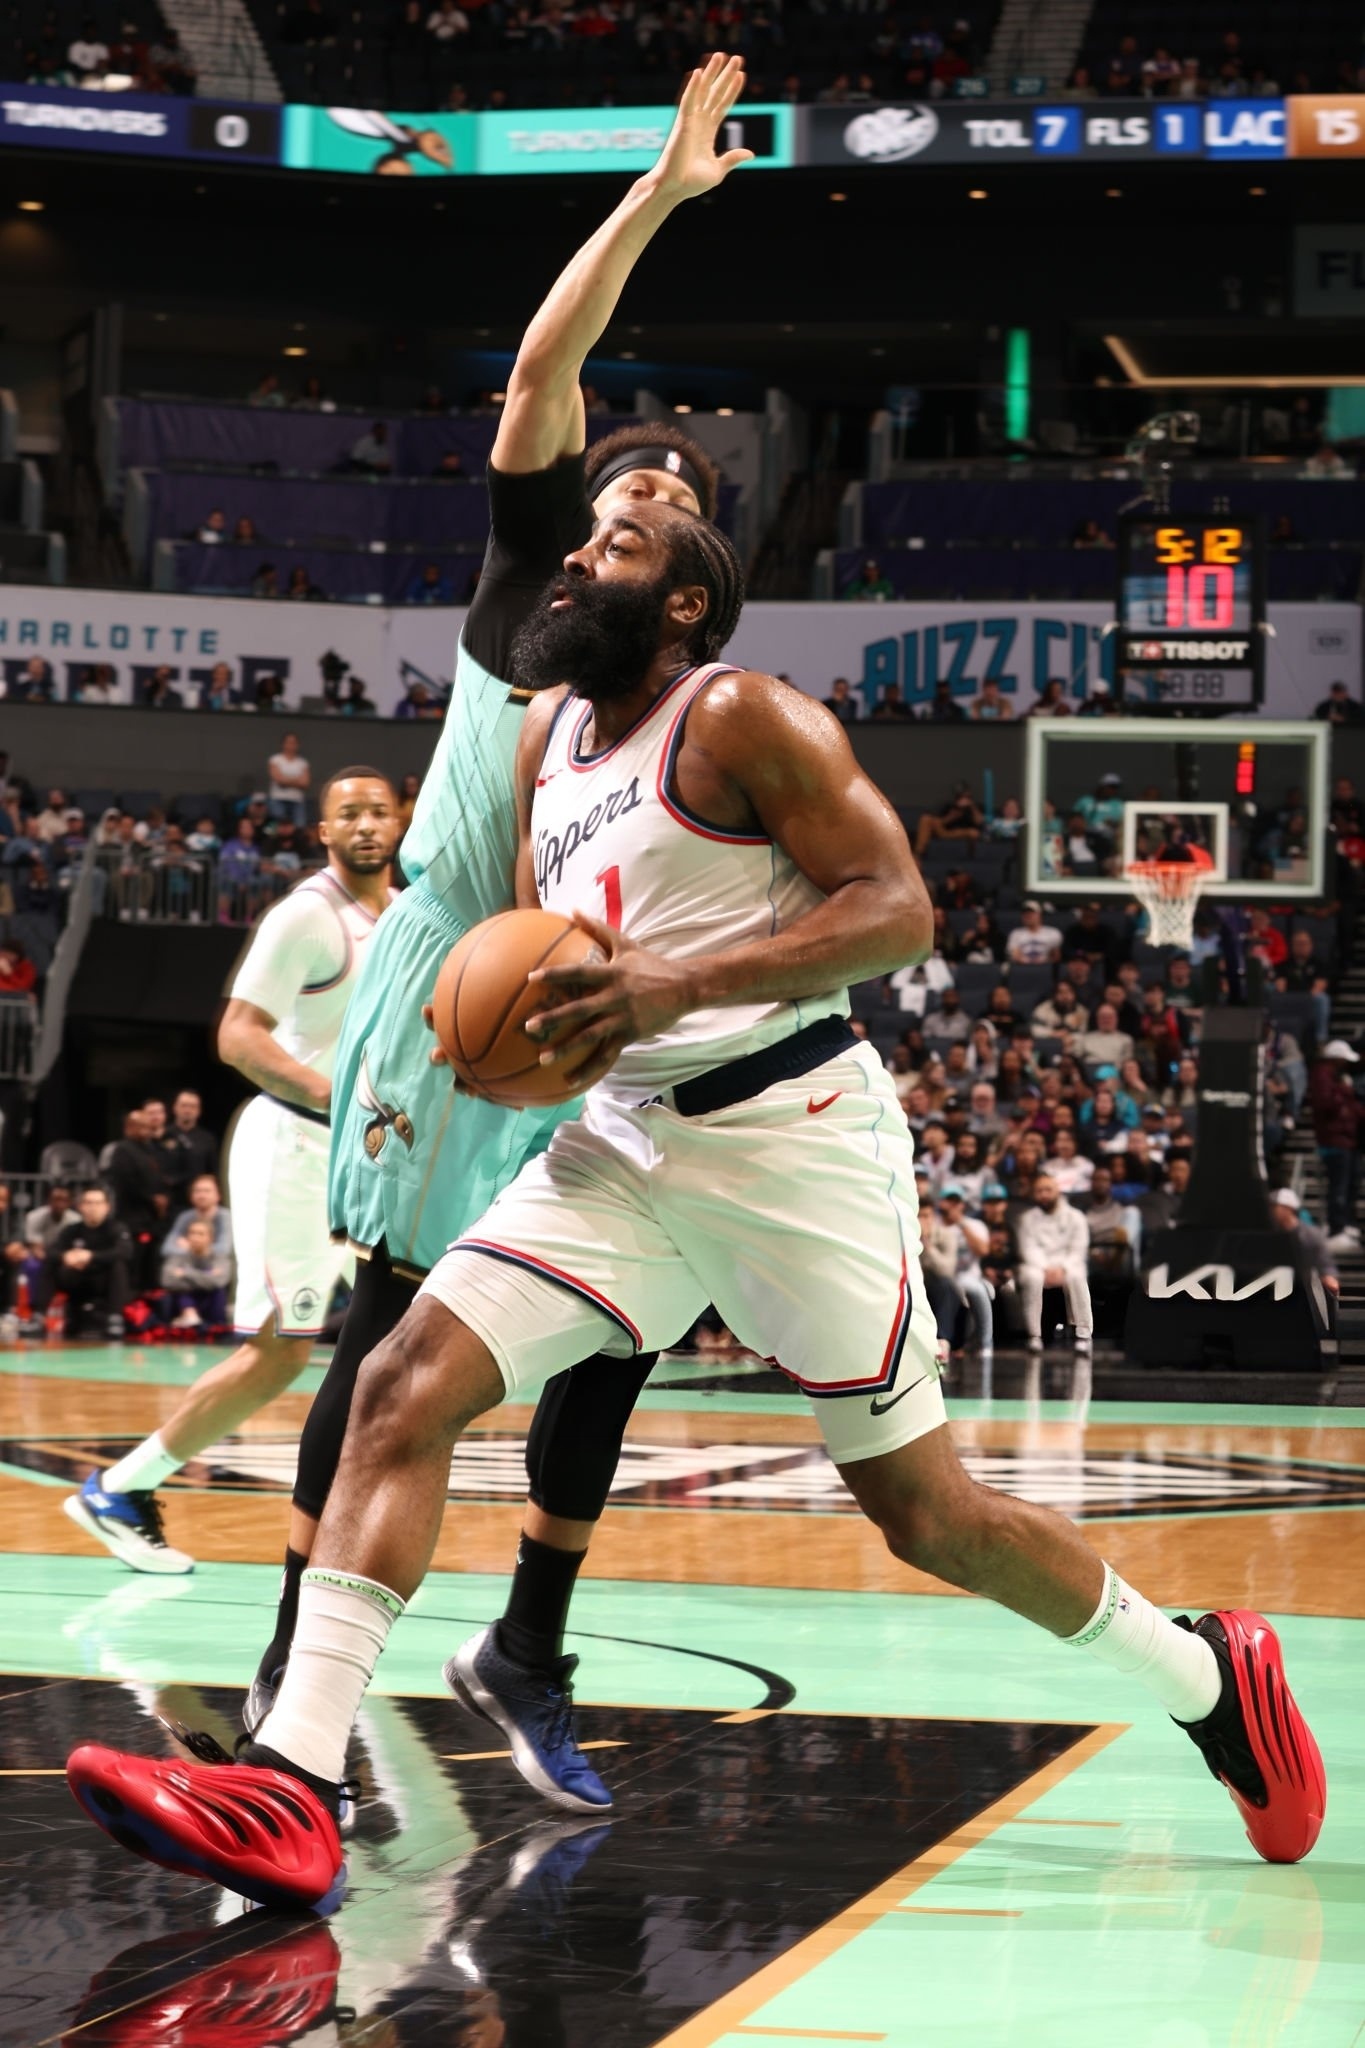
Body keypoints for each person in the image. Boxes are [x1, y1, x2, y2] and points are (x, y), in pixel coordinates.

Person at [69, 484, 1325, 1910]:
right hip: (622, 1146)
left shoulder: (741, 716)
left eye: (619, 540)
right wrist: (519, 1048)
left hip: (792, 1144)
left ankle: (1205, 1676)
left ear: (681, 605)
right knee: (401, 1381)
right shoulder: (546, 739)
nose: (578, 552)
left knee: (926, 1515)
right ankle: (296, 1781)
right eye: (583, 530)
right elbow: (576, 953)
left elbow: (898, 908)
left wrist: (671, 984)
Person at [232, 58, 757, 1772]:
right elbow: (548, 366)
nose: (647, 490)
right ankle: (289, 1651)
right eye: (626, 480)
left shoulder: (687, 689)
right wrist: (667, 200)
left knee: (621, 1310)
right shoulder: (533, 588)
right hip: (455, 987)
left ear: (693, 578)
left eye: (677, 492)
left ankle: (529, 1639)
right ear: (575, 525)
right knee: (387, 1330)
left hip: (586, 998)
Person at [62, 771, 401, 1574]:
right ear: (321, 831)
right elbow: (238, 1039)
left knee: (396, 1328)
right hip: (294, 1144)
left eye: (378, 811)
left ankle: (353, 1520)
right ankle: (119, 1488)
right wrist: (341, 1098)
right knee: (281, 1351)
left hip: (365, 1149)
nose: (364, 825)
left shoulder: (406, 914)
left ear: (401, 824)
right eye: (347, 813)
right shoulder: (306, 917)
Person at [1016, 1172, 1093, 1356]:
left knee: (1077, 1275)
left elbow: (1078, 1248)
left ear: (1057, 1191)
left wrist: (1063, 1268)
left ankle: (1083, 1335)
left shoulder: (1075, 1217)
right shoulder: (1028, 1219)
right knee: (1032, 1276)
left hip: (1067, 1265)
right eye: (1039, 1191)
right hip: (1039, 1266)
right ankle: (1034, 1335)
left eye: (1048, 1190)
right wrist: (1044, 1268)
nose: (1044, 1194)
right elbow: (1028, 1248)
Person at [45, 1186, 131, 1340]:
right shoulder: (72, 1230)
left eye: (98, 1203)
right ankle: (39, 1315)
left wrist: (91, 1256)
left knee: (118, 1265)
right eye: (89, 1203)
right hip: (76, 1278)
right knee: (49, 1264)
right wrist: (66, 1256)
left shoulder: (116, 1228)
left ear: (107, 1207)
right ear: (81, 1206)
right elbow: (51, 1251)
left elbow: (124, 1251)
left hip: (102, 1280)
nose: (93, 1207)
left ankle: (115, 1318)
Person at [1308, 1038, 1363, 1249]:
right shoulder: (1324, 1076)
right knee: (1338, 1187)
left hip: (1346, 1139)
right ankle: (1336, 1227)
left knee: (1349, 1184)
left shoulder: (1336, 1077)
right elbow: (1327, 1104)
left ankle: (1344, 1223)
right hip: (1333, 1140)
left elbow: (1350, 1107)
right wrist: (1344, 1093)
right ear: (1336, 1058)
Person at [161, 1218, 233, 1332]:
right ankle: (190, 1315)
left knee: (218, 1291)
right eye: (192, 1233)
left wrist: (185, 1273)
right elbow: (167, 1281)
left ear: (210, 1238)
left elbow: (218, 1282)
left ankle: (216, 1328)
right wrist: (206, 1276)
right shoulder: (177, 1256)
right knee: (177, 1292)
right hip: (182, 1305)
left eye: (201, 1234)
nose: (195, 1237)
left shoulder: (220, 1258)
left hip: (210, 1302)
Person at [1268, 1187, 1338, 1298]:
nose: (1271, 1211)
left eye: (1274, 1207)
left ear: (1288, 1208)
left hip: (1305, 1288)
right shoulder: (1270, 1233)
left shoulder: (1310, 1235)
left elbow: (1324, 1263)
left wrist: (1328, 1276)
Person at [164, 1173, 232, 1263]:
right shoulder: (185, 1217)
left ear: (218, 1195)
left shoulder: (225, 1217)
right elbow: (167, 1248)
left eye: (207, 1191)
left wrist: (193, 1247)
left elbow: (224, 1249)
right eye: (197, 1191)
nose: (201, 1195)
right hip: (188, 1266)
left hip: (215, 1267)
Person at [267, 733, 312, 826]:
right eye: (288, 742)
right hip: (278, 799)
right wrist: (297, 780)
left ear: (297, 745)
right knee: (278, 825)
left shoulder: (303, 763)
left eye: (293, 743)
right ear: (283, 744)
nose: (291, 745)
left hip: (297, 801)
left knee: (300, 826)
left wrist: (286, 779)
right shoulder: (275, 760)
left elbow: (305, 783)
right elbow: (279, 780)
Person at [1005, 900, 1062, 965]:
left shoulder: (1053, 933)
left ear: (1039, 914)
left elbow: (1056, 956)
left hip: (1046, 968)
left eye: (1031, 913)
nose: (1028, 916)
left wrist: (1041, 962)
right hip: (1023, 968)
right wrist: (1030, 962)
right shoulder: (1016, 933)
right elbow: (1015, 955)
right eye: (1025, 913)